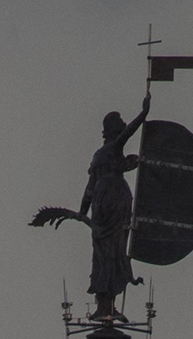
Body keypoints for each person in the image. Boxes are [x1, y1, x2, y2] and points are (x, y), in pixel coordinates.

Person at [31, 91, 151, 318]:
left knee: (103, 253)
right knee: (115, 250)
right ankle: (108, 302)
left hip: (100, 202)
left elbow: (89, 188)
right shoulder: (114, 149)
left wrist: (82, 211)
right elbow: (129, 132)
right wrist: (143, 113)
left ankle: (104, 302)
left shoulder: (99, 156)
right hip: (115, 200)